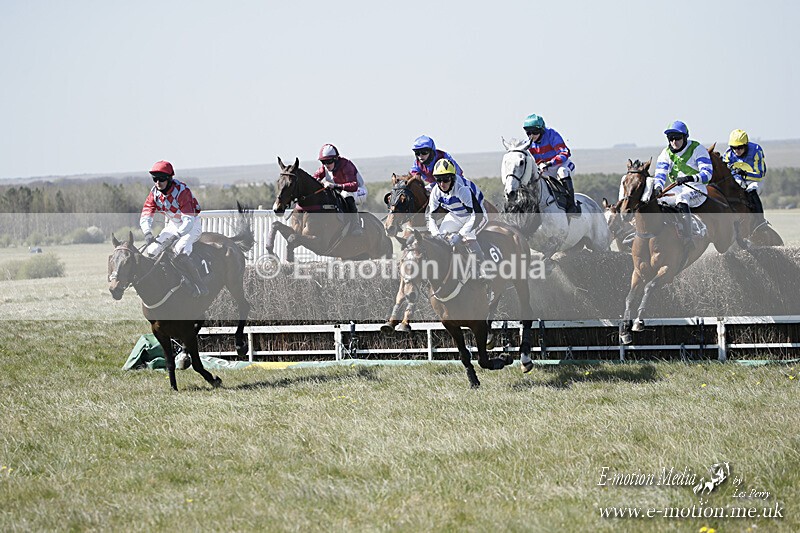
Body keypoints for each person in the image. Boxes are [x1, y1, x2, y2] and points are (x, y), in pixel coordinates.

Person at [139, 160, 208, 297]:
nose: (158, 182)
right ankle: (161, 282)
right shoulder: (154, 193)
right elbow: (146, 215)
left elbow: (188, 220)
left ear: (170, 178)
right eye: (155, 179)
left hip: (191, 225)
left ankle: (198, 285)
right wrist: (147, 232)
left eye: (162, 179)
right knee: (152, 250)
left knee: (179, 249)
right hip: (173, 225)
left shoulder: (182, 191)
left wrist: (175, 236)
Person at [652, 121, 713, 248]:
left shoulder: (697, 149)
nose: (674, 142)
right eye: (670, 138)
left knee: (682, 198)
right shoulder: (665, 154)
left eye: (677, 138)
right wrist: (658, 187)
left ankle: (688, 238)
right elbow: (660, 174)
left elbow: (707, 174)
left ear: (685, 137)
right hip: (677, 189)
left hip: (697, 189)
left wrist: (689, 178)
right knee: (656, 202)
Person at [425, 159, 488, 274]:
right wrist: (437, 235)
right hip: (455, 215)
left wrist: (460, 235)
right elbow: (430, 217)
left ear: (453, 178)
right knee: (440, 239)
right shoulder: (436, 191)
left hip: (477, 215)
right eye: (438, 180)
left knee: (468, 237)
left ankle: (483, 271)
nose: (442, 184)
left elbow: (476, 215)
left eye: (446, 179)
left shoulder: (462, 189)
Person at [523, 113, 578, 216]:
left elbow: (565, 152)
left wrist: (549, 163)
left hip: (562, 165)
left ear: (541, 130)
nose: (531, 135)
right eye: (528, 132)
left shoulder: (552, 134)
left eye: (534, 132)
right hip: (545, 170)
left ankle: (571, 206)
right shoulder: (528, 143)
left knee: (562, 172)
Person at [313, 144, 366, 236]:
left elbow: (353, 185)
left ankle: (355, 224)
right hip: (341, 190)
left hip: (359, 191)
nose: (326, 165)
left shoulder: (346, 165)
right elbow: (313, 179)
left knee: (346, 195)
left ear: (335, 159)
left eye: (328, 161)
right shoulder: (324, 168)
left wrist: (335, 186)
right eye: (323, 162)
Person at [723, 129, 767, 226]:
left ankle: (761, 221)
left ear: (746, 145)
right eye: (734, 148)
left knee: (751, 191)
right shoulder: (728, 154)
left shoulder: (756, 150)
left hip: (754, 179)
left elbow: (760, 174)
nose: (737, 151)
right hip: (738, 178)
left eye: (740, 147)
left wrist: (745, 173)